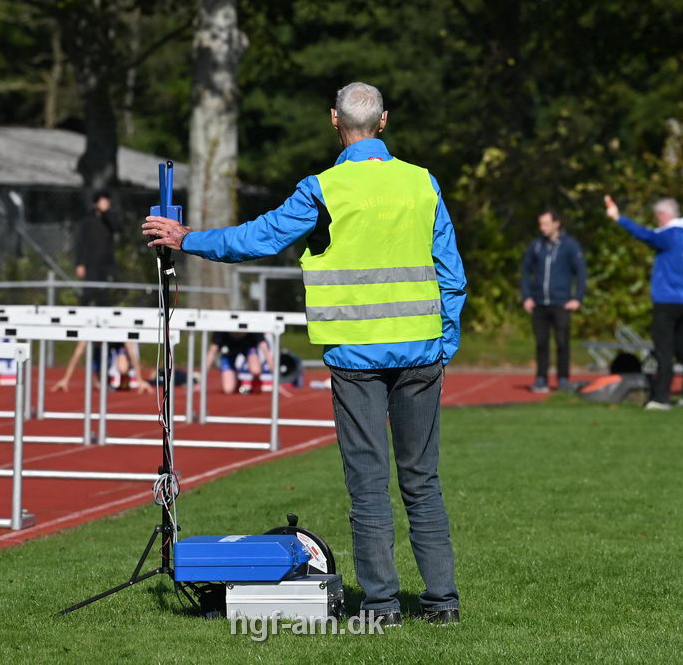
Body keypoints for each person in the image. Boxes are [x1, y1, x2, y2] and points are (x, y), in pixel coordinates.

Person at [144, 82, 466, 626]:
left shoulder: (324, 189)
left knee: (368, 484)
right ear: (384, 121)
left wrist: (187, 238)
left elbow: (260, 239)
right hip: (421, 354)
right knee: (422, 481)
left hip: (353, 356)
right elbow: (451, 272)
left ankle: (383, 606)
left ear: (334, 122)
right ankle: (443, 604)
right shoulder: (422, 183)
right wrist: (446, 342)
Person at [604, 195, 683, 409]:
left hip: (666, 299)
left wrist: (619, 219)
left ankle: (660, 397)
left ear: (663, 215)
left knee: (664, 349)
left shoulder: (670, 236)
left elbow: (645, 235)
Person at [520, 209, 587, 393]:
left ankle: (563, 379)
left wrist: (577, 298)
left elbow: (581, 273)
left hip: (561, 302)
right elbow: (526, 271)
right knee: (541, 343)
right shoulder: (537, 246)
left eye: (546, 224)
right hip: (540, 303)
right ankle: (541, 378)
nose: (542, 228)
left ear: (556, 223)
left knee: (562, 342)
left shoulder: (570, 245)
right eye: (540, 224)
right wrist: (527, 296)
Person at [51, 341, 153, 395]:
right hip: (100, 347)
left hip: (116, 342)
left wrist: (139, 380)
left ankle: (122, 370)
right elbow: (77, 354)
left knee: (123, 368)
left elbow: (133, 355)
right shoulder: (89, 332)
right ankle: (101, 376)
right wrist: (66, 379)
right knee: (99, 385)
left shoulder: (121, 330)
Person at [76, 190, 121, 306]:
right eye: (103, 201)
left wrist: (106, 214)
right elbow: (80, 242)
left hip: (106, 262)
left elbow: (117, 228)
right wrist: (80, 263)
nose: (106, 203)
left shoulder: (110, 220)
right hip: (91, 262)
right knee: (88, 293)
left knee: (104, 294)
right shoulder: (87, 221)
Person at [204, 331, 275, 394]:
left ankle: (256, 382)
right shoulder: (221, 331)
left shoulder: (253, 328)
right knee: (228, 390)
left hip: (248, 348)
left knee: (255, 370)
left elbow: (265, 349)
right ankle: (236, 380)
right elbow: (212, 351)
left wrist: (274, 371)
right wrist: (203, 375)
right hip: (229, 353)